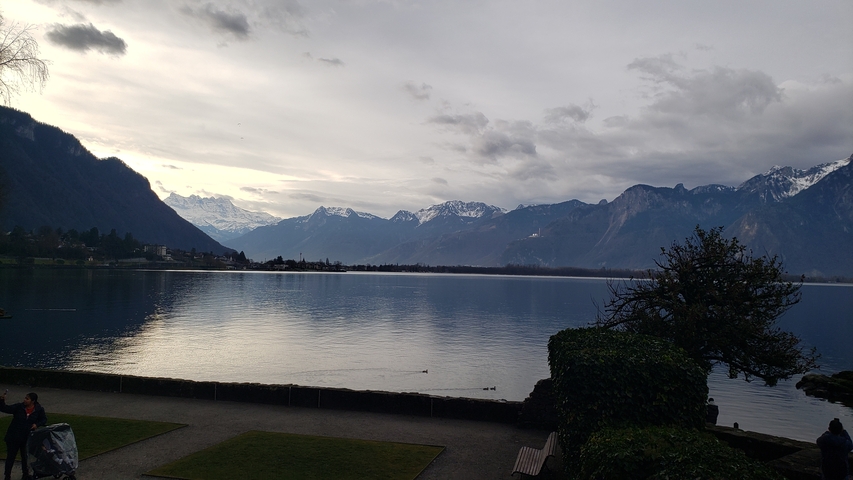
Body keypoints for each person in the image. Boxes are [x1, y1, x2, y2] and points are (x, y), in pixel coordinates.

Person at [0, 392, 46, 480]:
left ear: (33, 401)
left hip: (26, 437)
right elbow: (5, 409)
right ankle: (7, 475)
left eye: (27, 399)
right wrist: (2, 401)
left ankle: (25, 474)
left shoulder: (39, 410)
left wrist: (37, 424)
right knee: (11, 457)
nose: (24, 400)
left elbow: (43, 419)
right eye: (25, 398)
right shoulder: (19, 407)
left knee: (25, 456)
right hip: (14, 436)